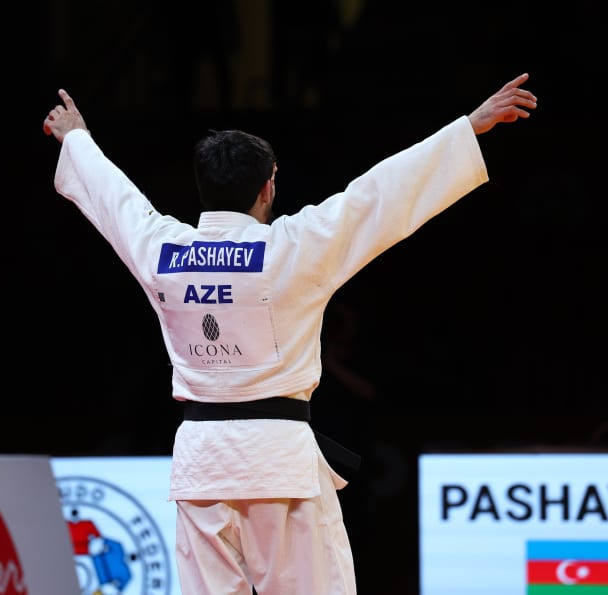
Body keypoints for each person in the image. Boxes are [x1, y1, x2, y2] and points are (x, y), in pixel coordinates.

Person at [42, 72, 537, 594]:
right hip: (278, 462)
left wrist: (77, 139)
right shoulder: (290, 249)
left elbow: (116, 200)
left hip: (201, 465)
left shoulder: (163, 251)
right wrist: (467, 129)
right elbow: (377, 196)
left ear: (202, 188)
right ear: (268, 186)